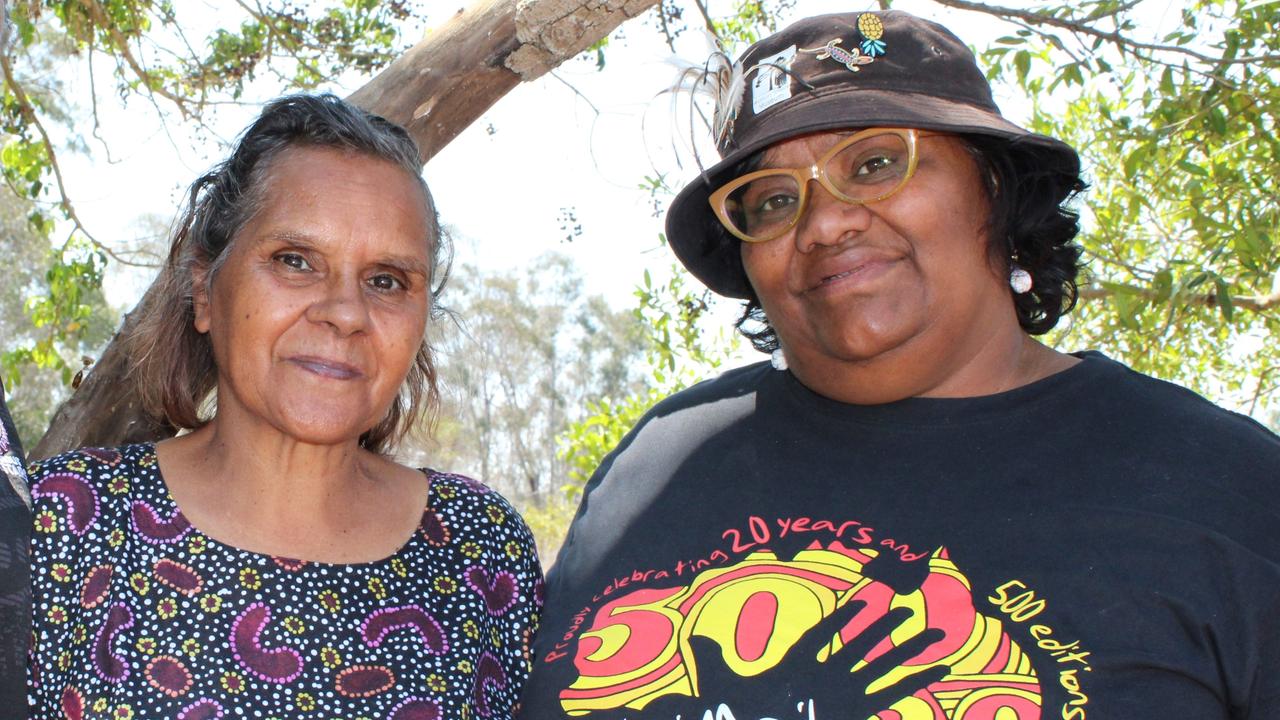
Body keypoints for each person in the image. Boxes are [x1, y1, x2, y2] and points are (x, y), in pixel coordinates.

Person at [520, 10, 1280, 720]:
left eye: (877, 162)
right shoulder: (659, 463)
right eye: (772, 202)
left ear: (995, 187)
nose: (824, 222)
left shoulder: (1229, 490)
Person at [26, 94, 542, 719]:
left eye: (386, 281)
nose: (346, 313)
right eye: (295, 262)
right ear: (204, 289)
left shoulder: (478, 548)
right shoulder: (67, 523)